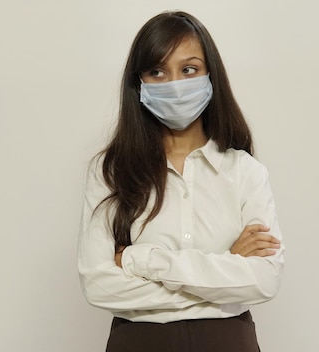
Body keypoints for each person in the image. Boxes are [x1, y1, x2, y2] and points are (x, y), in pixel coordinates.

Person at [78, 11, 285, 352]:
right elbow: (98, 284)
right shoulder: (111, 169)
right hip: (140, 343)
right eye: (157, 71)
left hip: (228, 343)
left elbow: (264, 280)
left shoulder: (244, 171)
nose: (174, 84)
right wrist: (225, 271)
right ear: (139, 82)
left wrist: (139, 260)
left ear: (210, 75)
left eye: (189, 69)